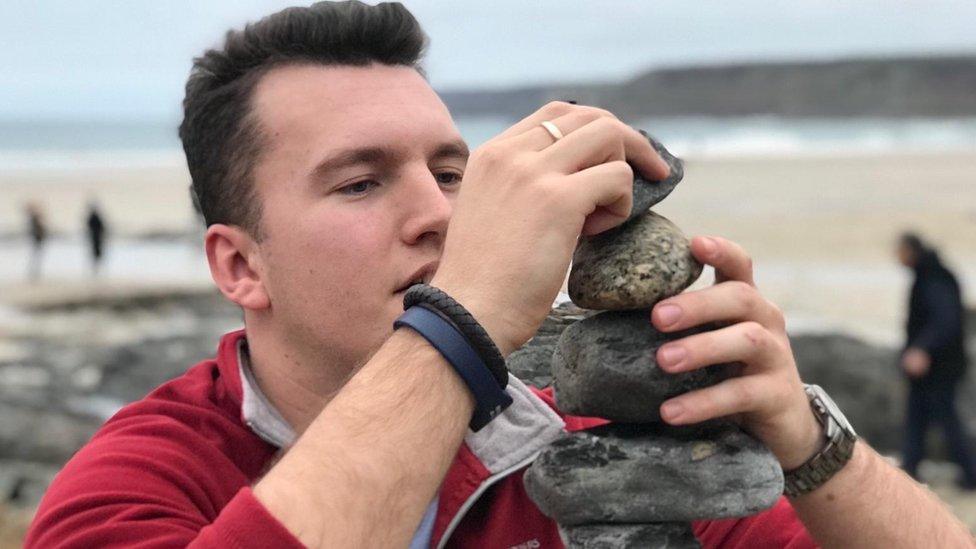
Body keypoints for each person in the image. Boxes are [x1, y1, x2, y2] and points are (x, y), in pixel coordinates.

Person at [25, 3, 973, 547]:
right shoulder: (141, 480)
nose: (444, 213)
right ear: (241, 263)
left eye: (450, 173)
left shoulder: (588, 440)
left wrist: (805, 438)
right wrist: (462, 319)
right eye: (360, 183)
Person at [897, 232, 976, 488]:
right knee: (917, 416)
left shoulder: (935, 277)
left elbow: (946, 320)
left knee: (946, 418)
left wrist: (921, 349)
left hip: (940, 367)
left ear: (911, 250)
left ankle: (971, 474)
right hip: (932, 366)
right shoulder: (928, 274)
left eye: (899, 250)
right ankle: (910, 469)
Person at [25, 202, 47, 281]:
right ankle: (34, 273)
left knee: (36, 257)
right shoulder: (34, 220)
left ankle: (35, 273)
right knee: (35, 257)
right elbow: (37, 231)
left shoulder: (34, 219)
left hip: (37, 239)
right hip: (37, 239)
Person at [85, 201, 107, 275]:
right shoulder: (93, 217)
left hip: (97, 238)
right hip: (94, 238)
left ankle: (97, 269)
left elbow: (102, 227)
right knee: (95, 253)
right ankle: (95, 269)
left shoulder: (95, 217)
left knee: (97, 254)